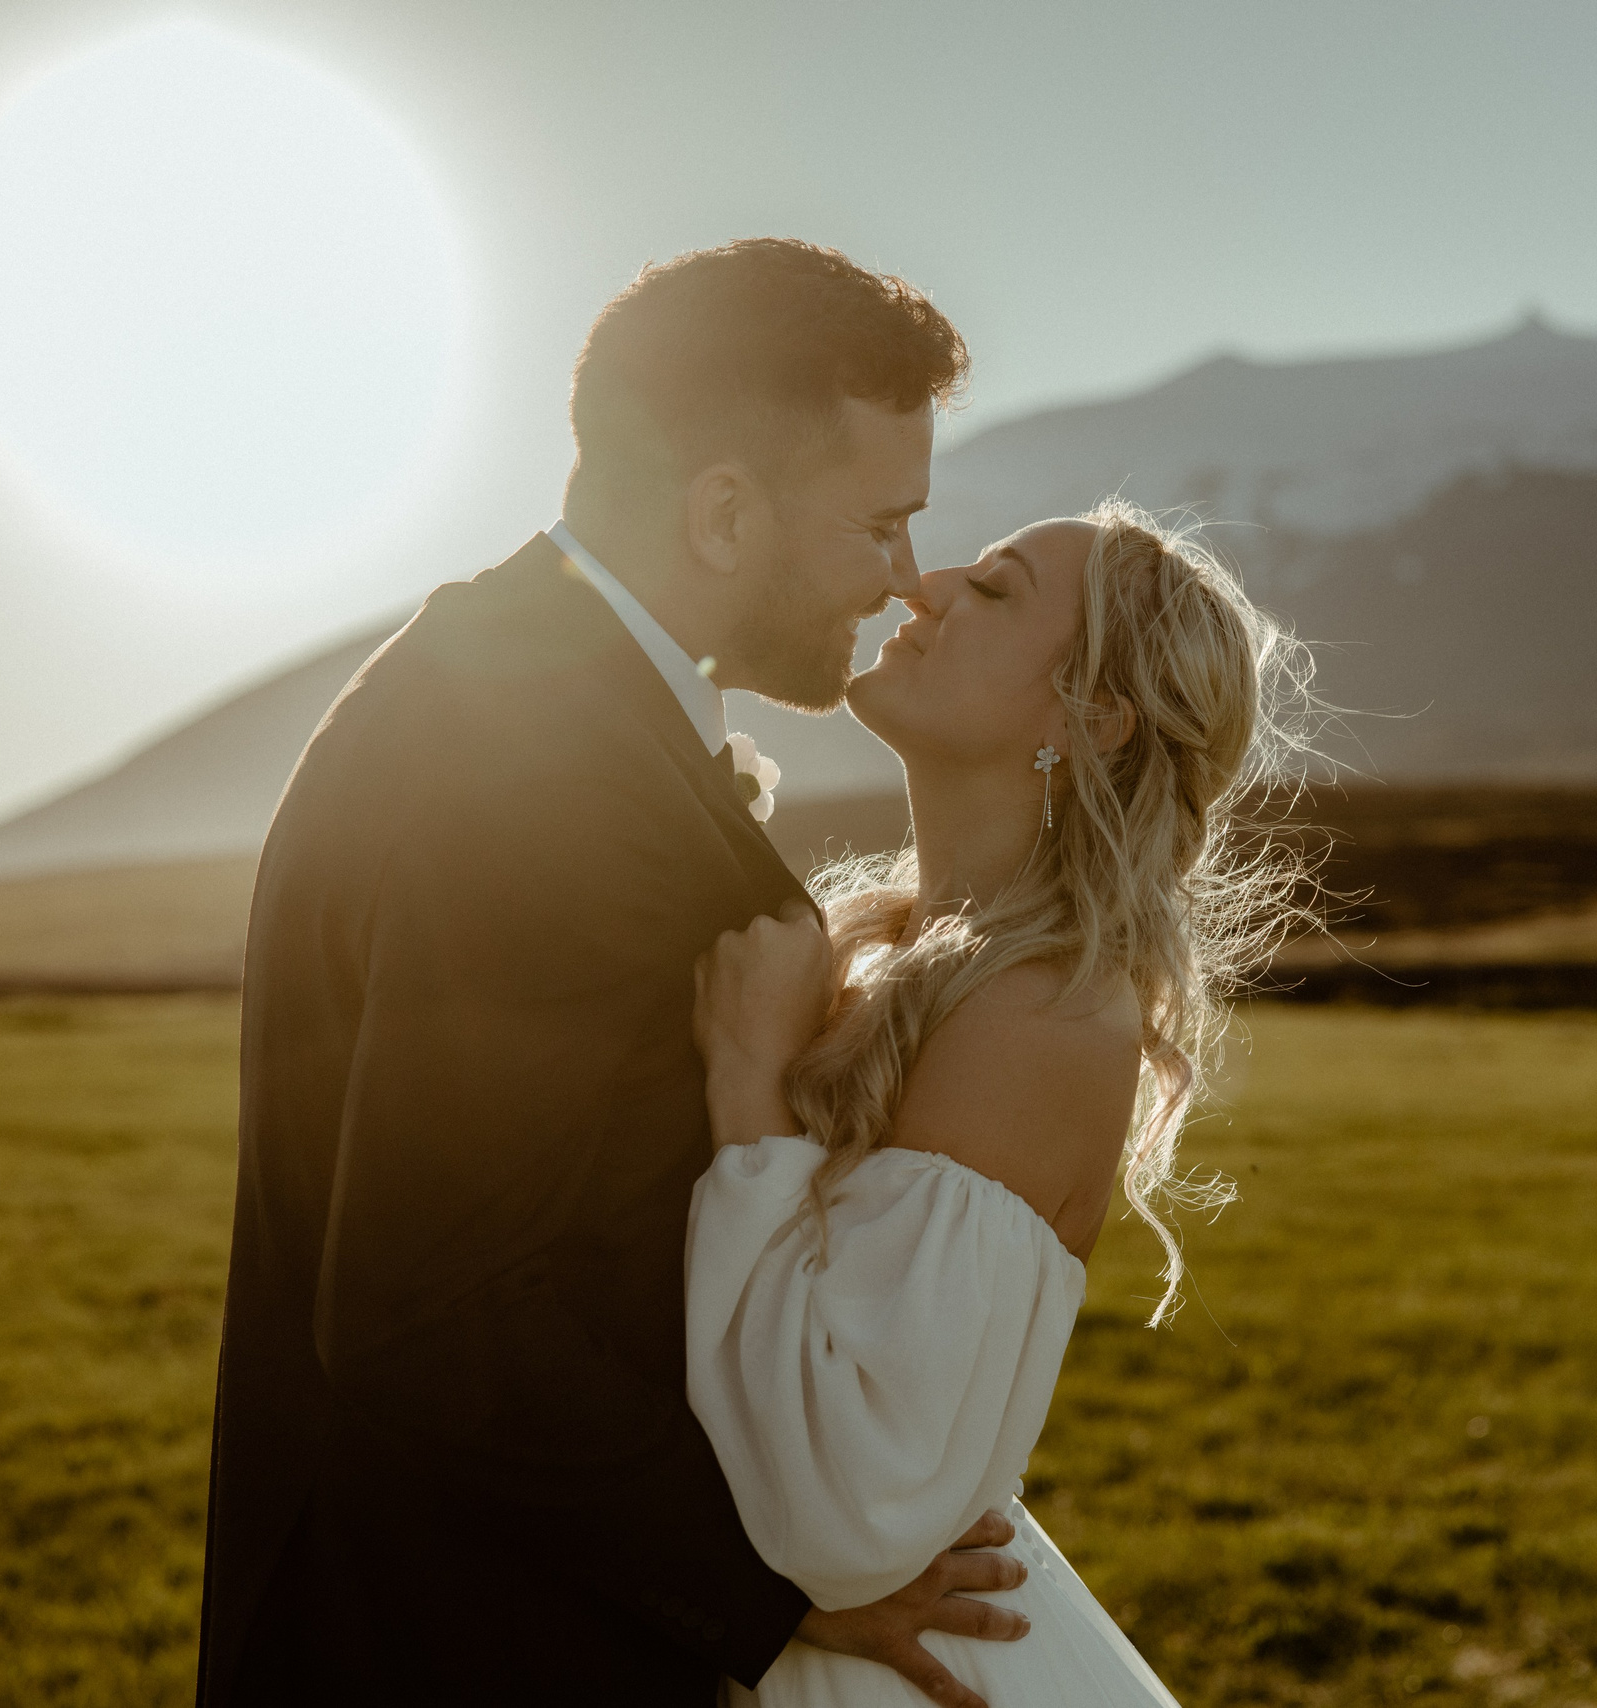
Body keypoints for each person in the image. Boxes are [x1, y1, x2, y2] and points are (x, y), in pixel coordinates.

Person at [196, 239, 1036, 1706]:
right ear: (724, 511)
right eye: (880, 525)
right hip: (457, 1645)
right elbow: (429, 1305)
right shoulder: (544, 772)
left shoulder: (519, 681)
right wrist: (764, 1582)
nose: (903, 581)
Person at [688, 500, 1315, 1706]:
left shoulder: (1042, 1014)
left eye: (994, 591)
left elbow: (849, 1505)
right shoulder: (889, 951)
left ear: (1088, 716)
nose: (923, 590)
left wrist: (746, 1088)